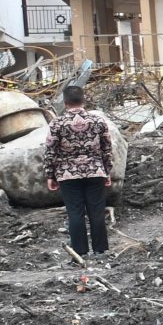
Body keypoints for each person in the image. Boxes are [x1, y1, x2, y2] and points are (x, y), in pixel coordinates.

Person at [44, 85, 114, 259]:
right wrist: (107, 171)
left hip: (68, 174)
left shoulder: (57, 123)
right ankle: (100, 250)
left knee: (75, 212)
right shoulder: (98, 121)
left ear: (65, 102)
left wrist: (50, 175)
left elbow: (49, 151)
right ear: (83, 100)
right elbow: (107, 148)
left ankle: (80, 252)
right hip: (95, 171)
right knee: (96, 211)